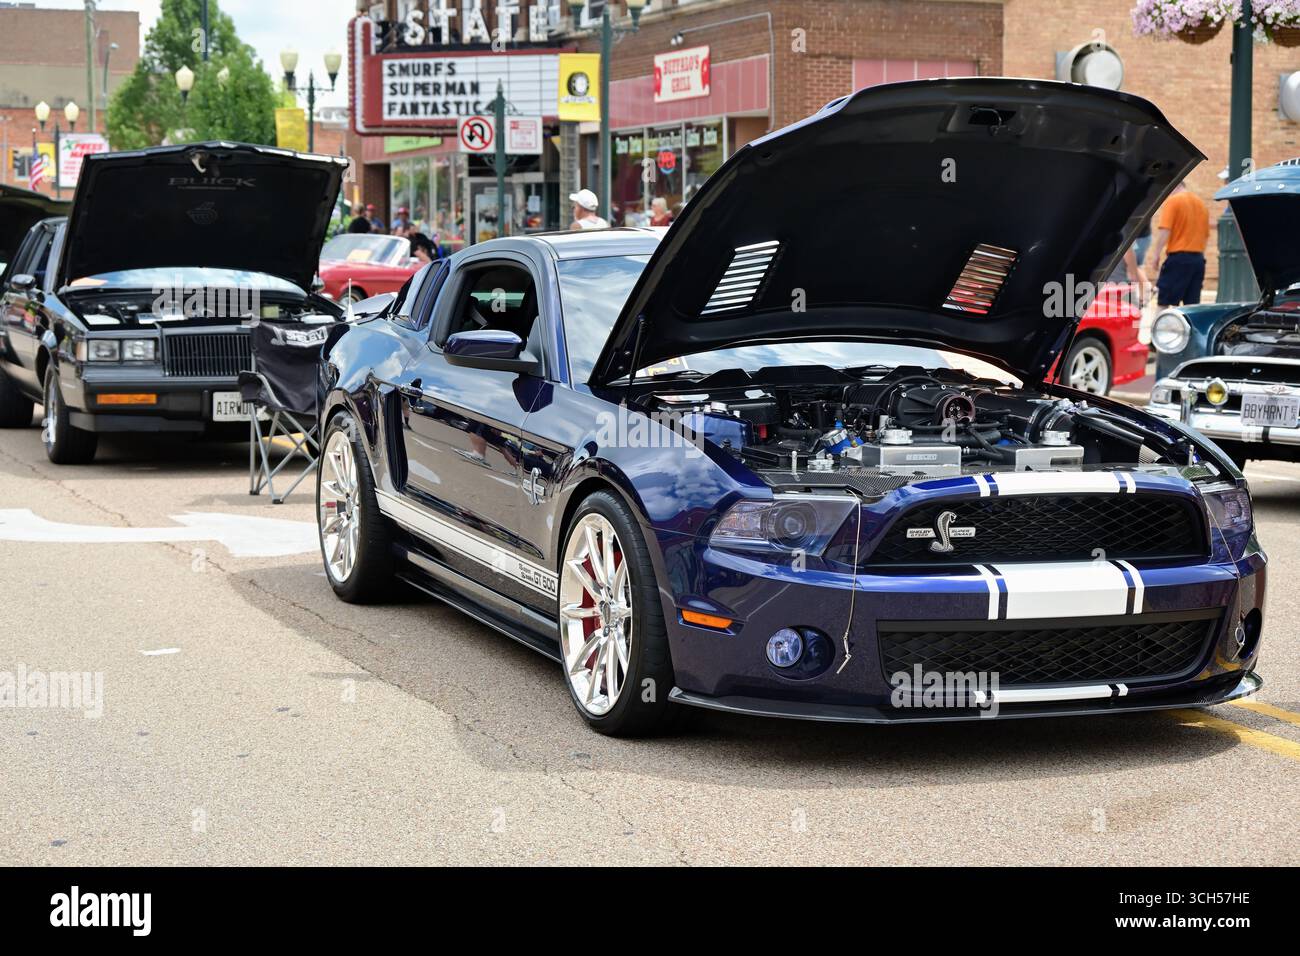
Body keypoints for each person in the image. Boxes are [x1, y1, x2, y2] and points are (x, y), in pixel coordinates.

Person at [1146, 182, 1209, 307]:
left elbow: (1165, 230)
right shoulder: (1201, 204)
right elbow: (1205, 235)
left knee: (1164, 302)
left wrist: (1156, 255)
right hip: (1198, 261)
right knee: (1191, 306)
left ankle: (1161, 327)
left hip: (1179, 259)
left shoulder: (1173, 201)